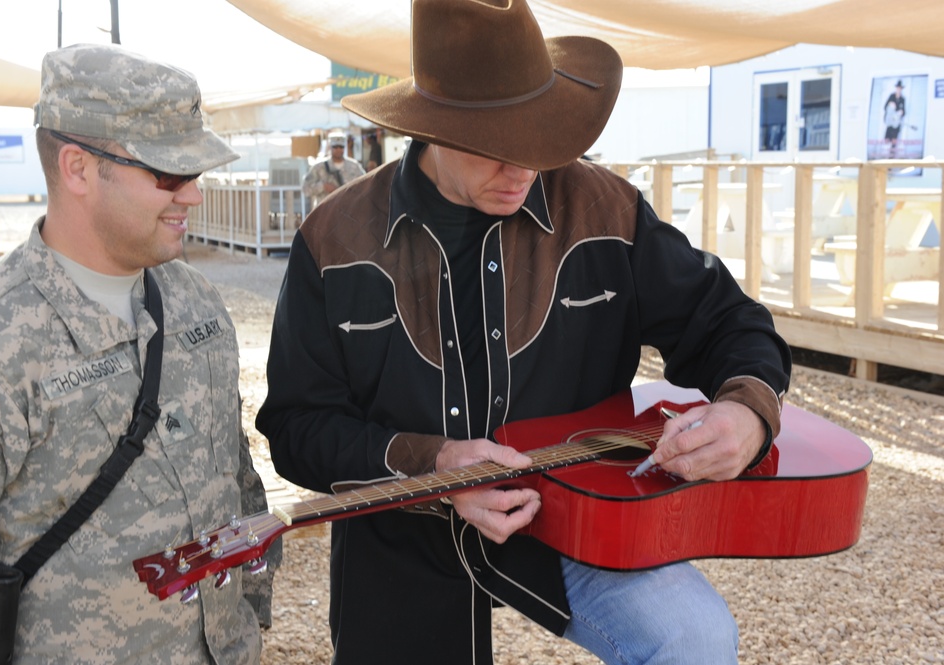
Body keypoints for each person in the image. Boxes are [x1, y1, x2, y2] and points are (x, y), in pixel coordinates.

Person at [255, 0, 791, 663]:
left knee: (697, 636)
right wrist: (433, 463)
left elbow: (729, 319)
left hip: (580, 513)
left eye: (541, 137)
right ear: (429, 127)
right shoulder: (333, 239)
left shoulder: (605, 208)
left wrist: (747, 410)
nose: (525, 170)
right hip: (403, 530)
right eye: (497, 147)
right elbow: (297, 427)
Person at [0, 43, 279, 663]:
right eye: (168, 174)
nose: (194, 196)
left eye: (196, 173)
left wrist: (252, 612)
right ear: (77, 169)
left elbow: (234, 482)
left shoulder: (196, 306)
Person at [300, 131, 365, 208]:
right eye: (335, 147)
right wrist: (323, 186)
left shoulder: (354, 166)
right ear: (330, 147)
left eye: (341, 147)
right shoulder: (319, 167)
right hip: (325, 212)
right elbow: (305, 188)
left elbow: (365, 186)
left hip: (348, 210)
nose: (338, 149)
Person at [883, 80, 906, 157]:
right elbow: (885, 107)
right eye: (898, 88)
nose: (899, 89)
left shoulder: (902, 99)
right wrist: (890, 105)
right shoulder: (891, 96)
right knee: (887, 140)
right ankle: (884, 157)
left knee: (894, 142)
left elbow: (904, 112)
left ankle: (891, 158)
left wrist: (901, 112)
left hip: (896, 124)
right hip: (890, 123)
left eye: (900, 88)